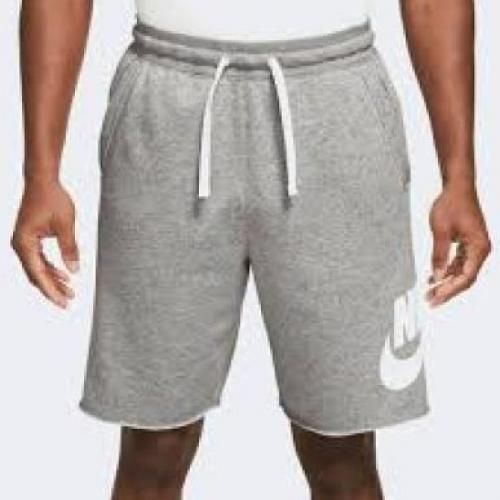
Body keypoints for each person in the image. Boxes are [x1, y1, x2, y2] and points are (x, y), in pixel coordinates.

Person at [11, 0, 491, 499]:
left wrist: (460, 177)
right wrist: (40, 175)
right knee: (153, 441)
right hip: (167, 106)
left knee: (342, 445)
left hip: (335, 105)